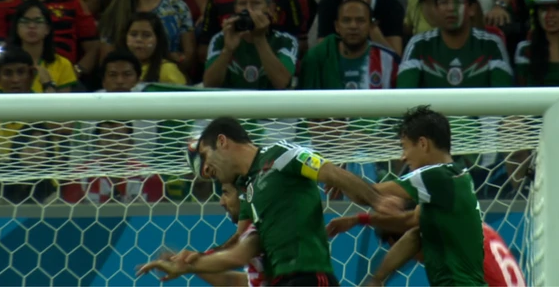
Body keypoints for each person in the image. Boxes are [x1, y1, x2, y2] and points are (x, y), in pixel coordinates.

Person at [138, 116, 399, 286]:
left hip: (309, 277)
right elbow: (240, 248)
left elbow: (331, 172)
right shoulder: (250, 188)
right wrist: (192, 261)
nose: (206, 171)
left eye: (205, 157)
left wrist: (377, 201)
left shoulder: (281, 155)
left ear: (222, 141)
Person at [355, 105, 486, 286]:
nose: (403, 157)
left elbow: (367, 192)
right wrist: (378, 277)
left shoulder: (435, 176)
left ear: (423, 144)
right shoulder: (457, 175)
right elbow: (414, 229)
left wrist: (333, 176)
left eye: (405, 147)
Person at [326, 203, 526, 286]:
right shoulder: (475, 229)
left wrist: (378, 278)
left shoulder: (452, 260)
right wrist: (361, 219)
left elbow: (414, 234)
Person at [397, 0, 513, 89]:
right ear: (436, 8)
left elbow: (503, 101)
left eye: (458, 1)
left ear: (472, 9)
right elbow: (404, 98)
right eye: (444, 2)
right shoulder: (418, 45)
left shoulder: (491, 45)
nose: (451, 8)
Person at [203, 0, 298, 90]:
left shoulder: (285, 41)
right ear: (235, 8)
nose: (248, 9)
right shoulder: (220, 39)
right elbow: (209, 85)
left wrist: (259, 39)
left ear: (270, 9)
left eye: (255, 3)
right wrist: (227, 50)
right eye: (242, 4)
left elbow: (283, 83)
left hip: (270, 105)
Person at [0, 0, 78, 93]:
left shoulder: (63, 64)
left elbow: (63, 106)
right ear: (16, 28)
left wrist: (48, 84)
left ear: (48, 29)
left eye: (38, 21)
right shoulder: (1, 61)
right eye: (25, 21)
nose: (32, 26)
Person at [116, 12, 187, 85]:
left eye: (146, 35)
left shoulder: (167, 69)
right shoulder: (116, 67)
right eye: (133, 34)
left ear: (158, 40)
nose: (139, 39)